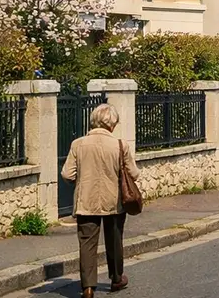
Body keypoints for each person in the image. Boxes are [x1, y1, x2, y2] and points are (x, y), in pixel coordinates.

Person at [61, 103, 140, 298]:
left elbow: (67, 174)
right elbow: (134, 174)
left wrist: (82, 181)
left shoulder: (78, 144)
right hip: (114, 202)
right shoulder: (120, 145)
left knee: (87, 243)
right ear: (112, 124)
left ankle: (88, 287)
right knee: (114, 240)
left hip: (85, 201)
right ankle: (116, 278)